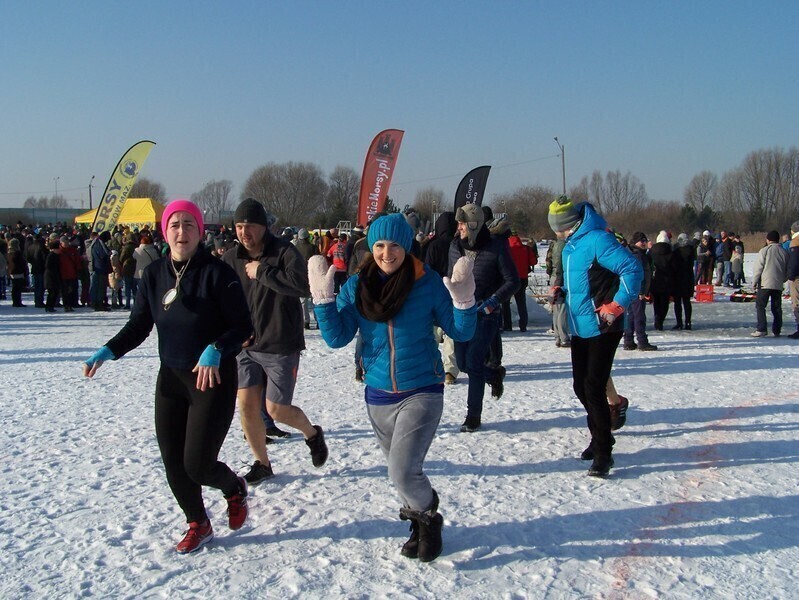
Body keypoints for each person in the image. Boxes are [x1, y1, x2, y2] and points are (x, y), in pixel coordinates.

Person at [82, 200, 253, 554]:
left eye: (189, 224)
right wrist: (110, 349)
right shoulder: (155, 273)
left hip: (212, 379)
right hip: (171, 379)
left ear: (200, 230)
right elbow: (139, 324)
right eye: (174, 224)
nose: (181, 231)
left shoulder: (218, 274)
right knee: (173, 462)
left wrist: (217, 348)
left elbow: (243, 327)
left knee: (198, 464)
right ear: (165, 230)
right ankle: (198, 522)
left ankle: (233, 488)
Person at [309, 213, 477, 562]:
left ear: (407, 246)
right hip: (378, 393)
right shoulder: (357, 286)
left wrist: (463, 302)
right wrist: (324, 302)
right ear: (371, 248)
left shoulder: (427, 282)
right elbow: (337, 337)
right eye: (380, 245)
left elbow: (461, 333)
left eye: (396, 245)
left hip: (422, 389)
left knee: (401, 471)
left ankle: (429, 518)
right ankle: (417, 522)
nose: (387, 253)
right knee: (402, 474)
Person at [222, 198, 327, 485]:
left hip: (280, 343)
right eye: (240, 226)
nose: (245, 233)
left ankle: (312, 434)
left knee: (276, 410)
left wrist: (262, 272)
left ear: (264, 226)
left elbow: (302, 286)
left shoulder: (284, 252)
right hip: (246, 345)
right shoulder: (231, 258)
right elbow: (221, 297)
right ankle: (262, 463)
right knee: (245, 405)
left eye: (250, 226)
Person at [548, 196, 642, 477]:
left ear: (566, 223)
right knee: (581, 386)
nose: (553, 231)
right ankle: (601, 436)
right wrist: (562, 292)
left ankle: (604, 453)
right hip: (581, 325)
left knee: (593, 386)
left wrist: (616, 305)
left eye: (555, 225)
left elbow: (632, 269)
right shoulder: (570, 246)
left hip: (604, 324)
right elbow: (582, 282)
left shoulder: (599, 240)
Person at [449, 203, 518, 432]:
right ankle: (495, 375)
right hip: (460, 314)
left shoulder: (496, 247)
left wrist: (493, 301)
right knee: (462, 362)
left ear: (474, 224)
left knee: (474, 362)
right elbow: (450, 278)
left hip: (485, 314)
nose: (459, 228)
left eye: (462, 224)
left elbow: (512, 281)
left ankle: (473, 415)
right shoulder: (454, 246)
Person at [425, 211, 460, 383]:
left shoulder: (433, 245)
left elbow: (428, 271)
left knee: (431, 332)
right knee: (451, 334)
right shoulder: (458, 244)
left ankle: (431, 365)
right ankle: (450, 371)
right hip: (454, 293)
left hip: (435, 293)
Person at [751, 230, 789, 337]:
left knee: (760, 306)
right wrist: (782, 279)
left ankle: (762, 328)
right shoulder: (784, 252)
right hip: (778, 284)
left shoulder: (765, 250)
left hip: (765, 283)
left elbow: (758, 267)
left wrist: (754, 282)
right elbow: (787, 269)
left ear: (768, 240)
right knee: (776, 307)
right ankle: (777, 329)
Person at [623, 232, 657, 349]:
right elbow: (639, 274)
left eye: (645, 240)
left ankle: (628, 340)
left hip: (633, 290)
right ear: (636, 241)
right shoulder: (637, 254)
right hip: (637, 290)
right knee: (639, 316)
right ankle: (642, 341)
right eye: (641, 241)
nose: (644, 243)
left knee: (631, 315)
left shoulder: (636, 253)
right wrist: (642, 291)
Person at [503, 228, 538, 332]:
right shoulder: (526, 249)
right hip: (522, 278)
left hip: (508, 279)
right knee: (521, 302)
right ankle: (523, 325)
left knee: (505, 302)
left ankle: (507, 325)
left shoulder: (506, 248)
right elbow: (533, 262)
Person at [547, 233, 571, 348]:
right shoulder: (565, 246)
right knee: (562, 310)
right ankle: (564, 338)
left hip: (554, 276)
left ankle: (558, 336)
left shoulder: (554, 245)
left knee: (556, 309)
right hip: (560, 277)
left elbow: (549, 261)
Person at [649, 231, 673, 331]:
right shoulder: (671, 253)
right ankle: (661, 320)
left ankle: (657, 318)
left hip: (655, 280)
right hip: (667, 281)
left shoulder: (651, 252)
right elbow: (674, 268)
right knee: (664, 302)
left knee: (656, 301)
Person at [672, 233, 696, 330]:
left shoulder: (676, 250)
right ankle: (688, 322)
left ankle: (679, 322)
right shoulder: (691, 249)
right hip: (688, 278)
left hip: (677, 278)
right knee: (686, 302)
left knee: (677, 302)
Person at [787, 221, 799, 339]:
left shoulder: (795, 242)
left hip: (797, 278)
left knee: (797, 303)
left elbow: (795, 262)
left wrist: (790, 276)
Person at [44, 240, 62, 312]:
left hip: (53, 276)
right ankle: (49, 306)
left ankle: (50, 306)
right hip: (51, 277)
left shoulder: (55, 255)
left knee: (54, 292)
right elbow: (48, 266)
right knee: (52, 292)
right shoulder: (51, 255)